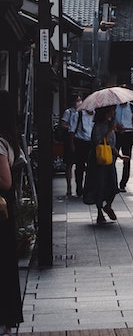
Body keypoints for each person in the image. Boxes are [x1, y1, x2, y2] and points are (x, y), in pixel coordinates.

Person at [0, 91, 25, 334]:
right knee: (6, 264)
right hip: (6, 210)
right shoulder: (11, 140)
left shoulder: (0, 143)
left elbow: (5, 182)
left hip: (1, 207)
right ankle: (7, 320)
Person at [84, 106, 119, 224]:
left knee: (113, 184)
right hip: (98, 159)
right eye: (112, 110)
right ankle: (99, 211)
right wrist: (109, 131)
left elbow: (111, 145)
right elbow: (98, 141)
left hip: (109, 158)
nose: (113, 113)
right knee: (99, 185)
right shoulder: (98, 126)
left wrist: (119, 155)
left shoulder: (110, 124)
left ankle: (108, 205)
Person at [114, 98, 133, 192]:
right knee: (113, 158)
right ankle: (113, 183)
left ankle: (123, 183)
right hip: (116, 133)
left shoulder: (132, 107)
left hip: (128, 133)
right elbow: (110, 119)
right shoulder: (115, 106)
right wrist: (116, 125)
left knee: (127, 159)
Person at [70, 98, 94, 198]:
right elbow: (72, 131)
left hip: (91, 143)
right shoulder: (78, 115)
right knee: (79, 167)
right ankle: (79, 188)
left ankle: (88, 189)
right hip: (80, 142)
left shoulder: (96, 116)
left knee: (91, 168)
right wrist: (72, 145)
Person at [59, 96, 80, 196]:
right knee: (69, 164)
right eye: (77, 100)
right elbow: (63, 124)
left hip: (79, 139)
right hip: (70, 138)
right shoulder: (69, 112)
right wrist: (71, 127)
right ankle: (69, 186)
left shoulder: (82, 112)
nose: (79, 102)